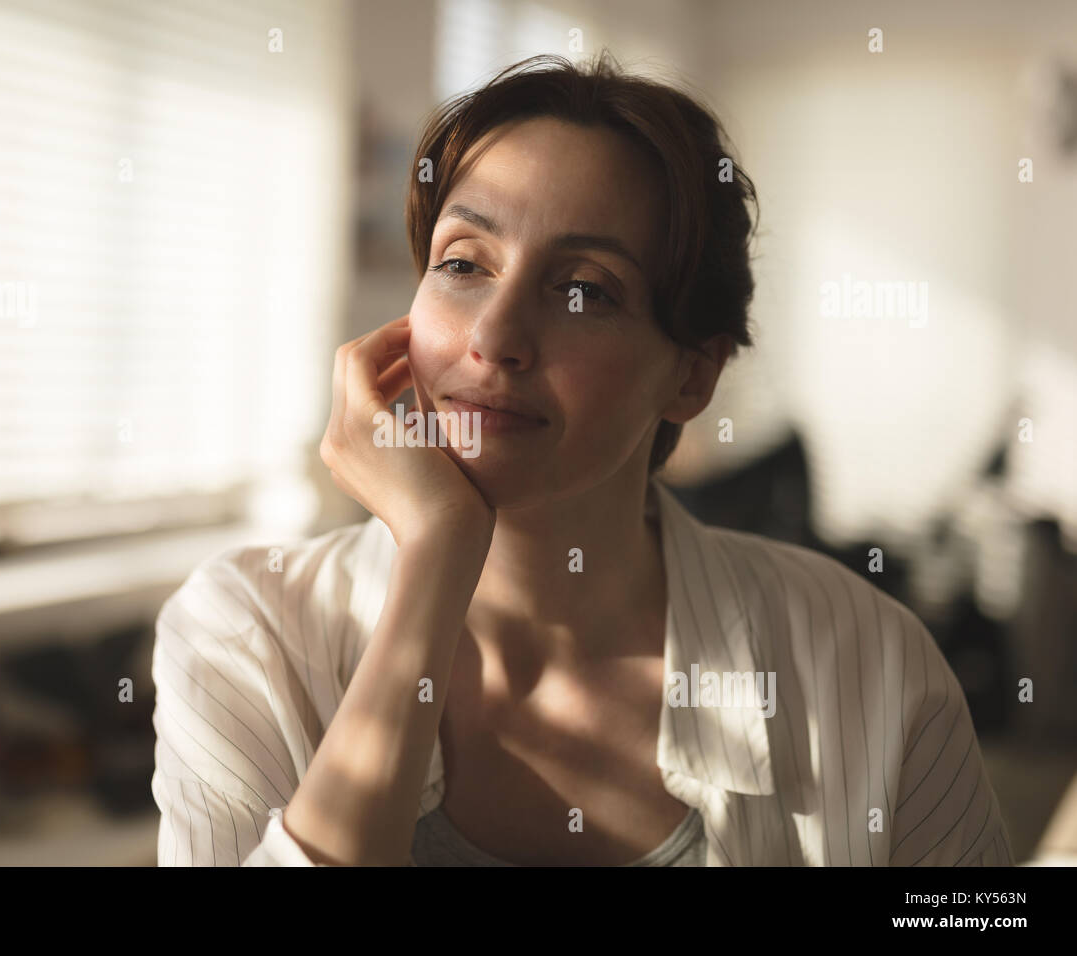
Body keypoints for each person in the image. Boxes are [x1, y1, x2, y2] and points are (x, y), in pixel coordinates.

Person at [150, 51, 1014, 867]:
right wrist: (439, 553)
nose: (493, 336)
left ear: (691, 374)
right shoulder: (243, 638)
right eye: (462, 264)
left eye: (583, 291)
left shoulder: (871, 667)